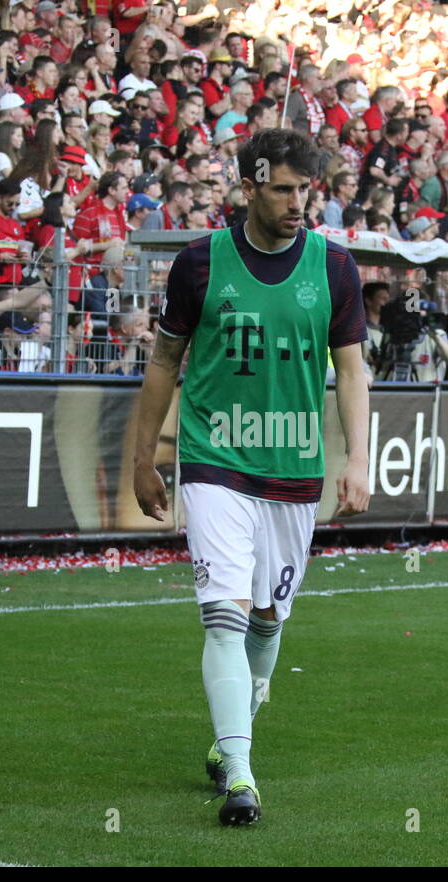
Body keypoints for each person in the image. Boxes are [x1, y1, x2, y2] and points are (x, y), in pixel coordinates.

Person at [131, 128, 370, 826]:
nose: (298, 203)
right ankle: (240, 773)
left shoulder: (334, 268)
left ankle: (229, 738)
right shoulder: (200, 264)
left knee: (268, 619)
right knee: (224, 615)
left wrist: (357, 459)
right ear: (248, 187)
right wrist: (144, 460)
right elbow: (162, 364)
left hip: (293, 469)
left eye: (307, 190)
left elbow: (352, 371)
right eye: (284, 189)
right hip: (215, 462)